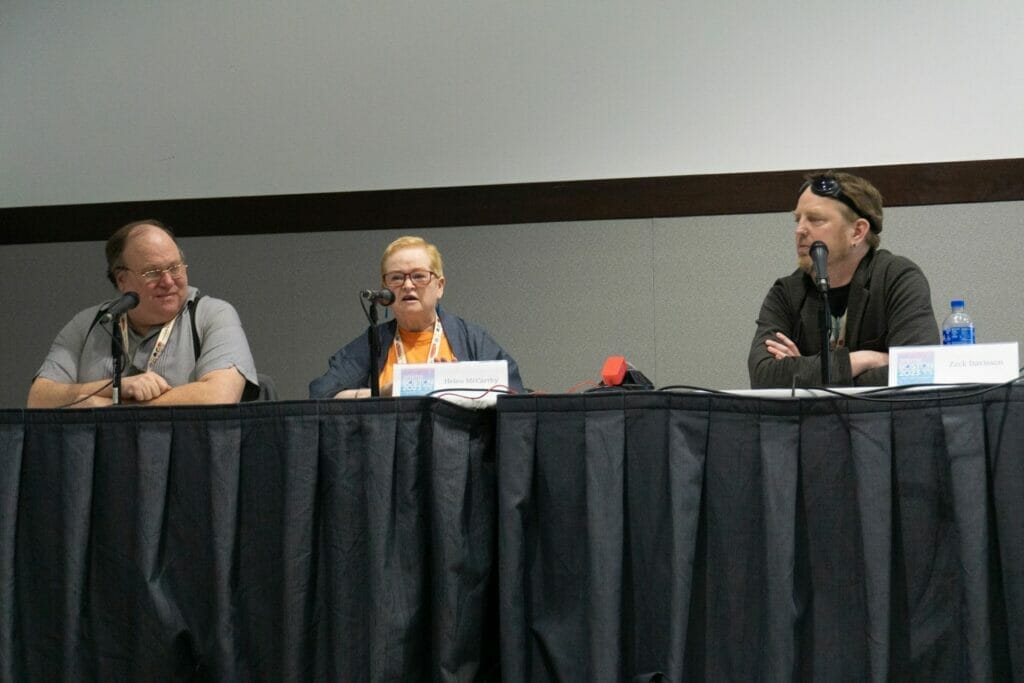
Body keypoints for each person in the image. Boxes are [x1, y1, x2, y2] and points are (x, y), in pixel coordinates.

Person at [27, 219, 259, 407]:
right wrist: (119, 387)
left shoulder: (213, 315)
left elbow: (218, 397)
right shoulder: (90, 323)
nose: (168, 281)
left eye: (174, 268)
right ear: (122, 280)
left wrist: (112, 407)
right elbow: (39, 398)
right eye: (152, 272)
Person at [748, 171, 939, 388]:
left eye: (815, 219)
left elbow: (917, 371)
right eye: (797, 219)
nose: (799, 230)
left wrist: (806, 373)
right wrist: (865, 360)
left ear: (857, 231)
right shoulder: (787, 292)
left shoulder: (897, 278)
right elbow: (764, 376)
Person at [310, 235, 525, 398]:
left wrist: (460, 383)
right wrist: (382, 392)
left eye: (419, 276)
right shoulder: (373, 342)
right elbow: (321, 394)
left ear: (439, 286)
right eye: (396, 278)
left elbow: (513, 393)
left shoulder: (470, 339)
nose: (408, 285)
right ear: (384, 288)